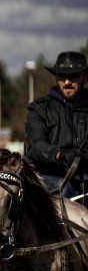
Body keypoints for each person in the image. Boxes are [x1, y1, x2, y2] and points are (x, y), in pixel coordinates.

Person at [25, 51, 88, 198]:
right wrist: (62, 155)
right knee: (65, 189)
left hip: (85, 179)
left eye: (73, 76)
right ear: (56, 77)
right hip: (51, 179)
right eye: (62, 76)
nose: (67, 82)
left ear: (85, 77)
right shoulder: (39, 108)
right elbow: (34, 147)